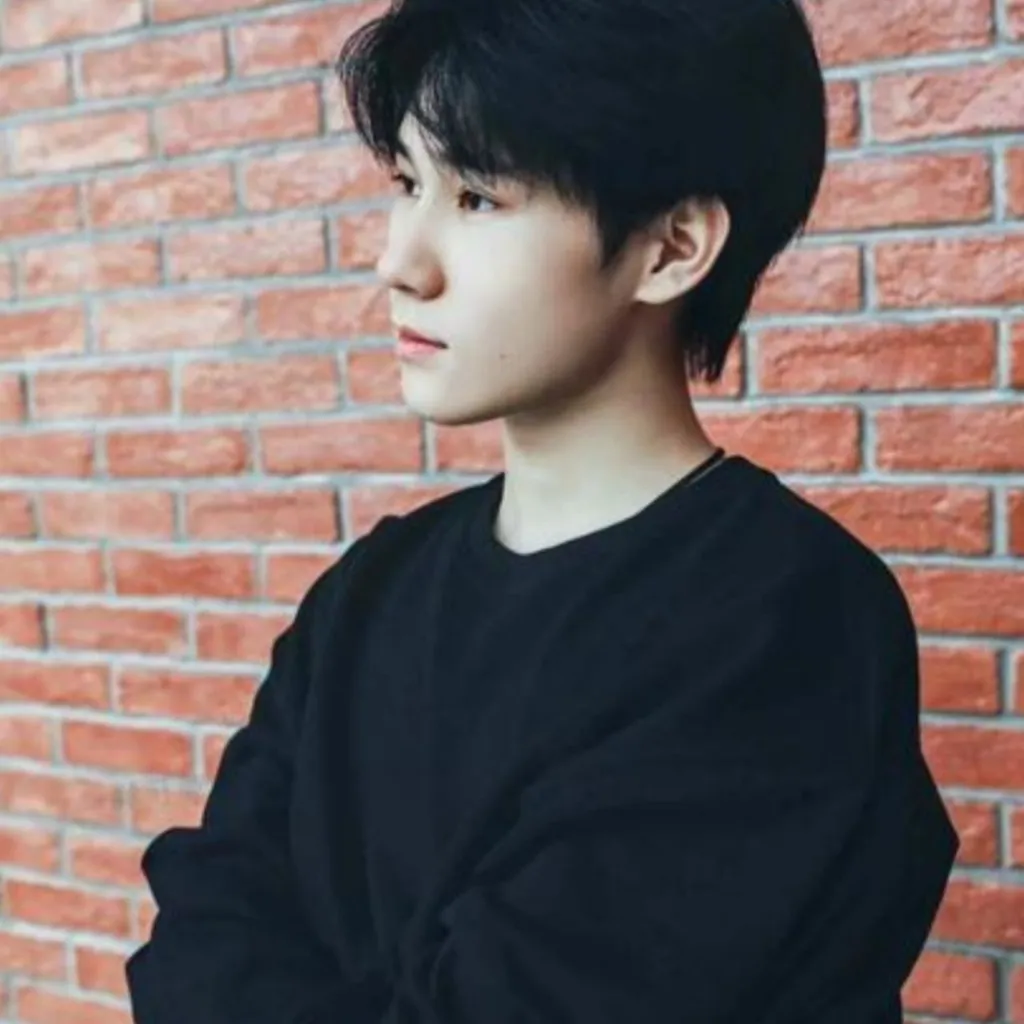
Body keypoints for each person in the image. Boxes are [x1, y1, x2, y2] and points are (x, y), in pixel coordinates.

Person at [124, 0, 959, 1021]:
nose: (401, 261)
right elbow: (200, 931)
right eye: (408, 184)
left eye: (478, 197)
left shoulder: (786, 624)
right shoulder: (370, 591)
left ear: (671, 247)